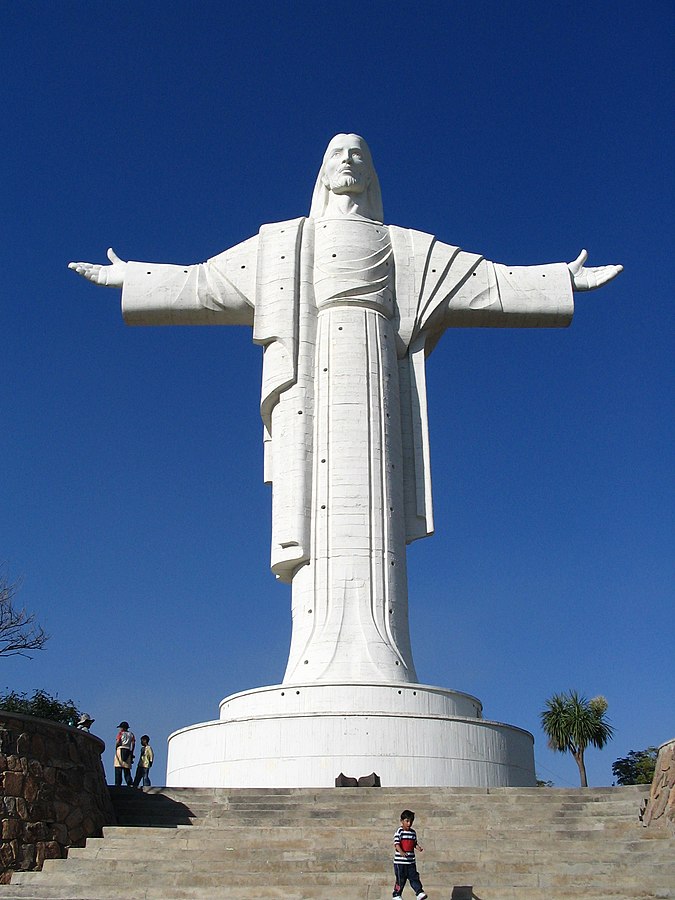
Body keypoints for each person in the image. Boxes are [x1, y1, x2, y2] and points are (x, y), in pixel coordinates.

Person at [69, 135, 622, 689]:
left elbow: (488, 283)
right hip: (315, 383)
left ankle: (387, 659)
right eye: (339, 153)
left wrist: (559, 278)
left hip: (377, 372)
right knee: (317, 521)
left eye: (360, 153)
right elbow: (205, 283)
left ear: (373, 173)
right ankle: (311, 661)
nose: (350, 160)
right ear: (324, 171)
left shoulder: (407, 248)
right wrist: (135, 276)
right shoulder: (285, 244)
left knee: (375, 517)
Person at [393, 809, 426, 900]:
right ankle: (396, 894)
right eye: (407, 821)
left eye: (411, 821)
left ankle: (419, 892)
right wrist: (401, 852)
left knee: (414, 877)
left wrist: (418, 847)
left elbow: (414, 843)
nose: (409, 824)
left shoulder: (413, 832)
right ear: (402, 821)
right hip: (400, 862)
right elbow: (396, 844)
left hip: (411, 862)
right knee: (400, 879)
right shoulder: (399, 831)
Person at [114, 720, 135, 786]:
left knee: (118, 767)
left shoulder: (121, 734)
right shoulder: (131, 734)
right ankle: (129, 782)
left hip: (120, 749)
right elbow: (133, 743)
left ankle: (118, 783)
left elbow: (118, 741)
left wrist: (116, 747)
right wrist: (132, 751)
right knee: (127, 768)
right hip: (128, 750)